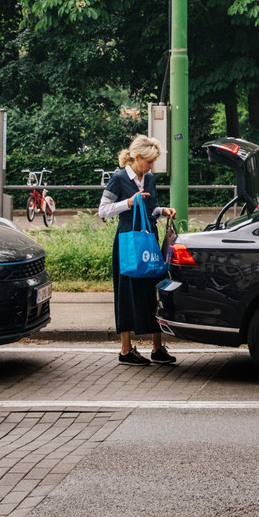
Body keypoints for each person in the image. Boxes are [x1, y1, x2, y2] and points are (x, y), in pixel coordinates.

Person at [99, 135, 178, 367]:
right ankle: (126, 350)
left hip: (148, 238)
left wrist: (163, 211)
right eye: (149, 161)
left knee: (153, 289)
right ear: (138, 157)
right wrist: (129, 203)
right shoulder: (118, 179)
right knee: (127, 291)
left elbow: (151, 209)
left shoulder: (149, 179)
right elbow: (103, 211)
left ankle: (157, 348)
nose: (152, 166)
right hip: (128, 240)